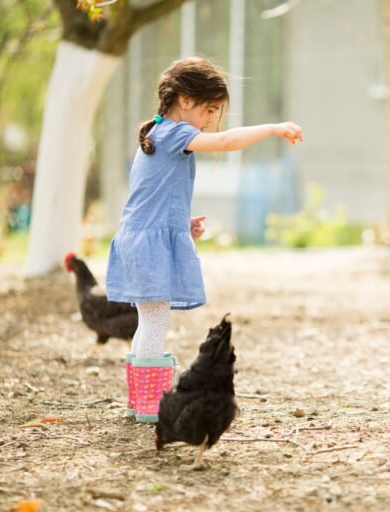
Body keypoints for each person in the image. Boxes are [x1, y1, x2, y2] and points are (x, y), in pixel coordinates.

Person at [106, 57, 302, 422]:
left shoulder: (156, 135)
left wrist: (179, 222)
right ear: (184, 100)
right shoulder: (175, 133)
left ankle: (140, 401)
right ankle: (150, 404)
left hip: (140, 237)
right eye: (208, 109)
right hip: (147, 243)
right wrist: (274, 128)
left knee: (149, 320)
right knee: (155, 321)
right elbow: (226, 142)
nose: (211, 120)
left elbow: (150, 196)